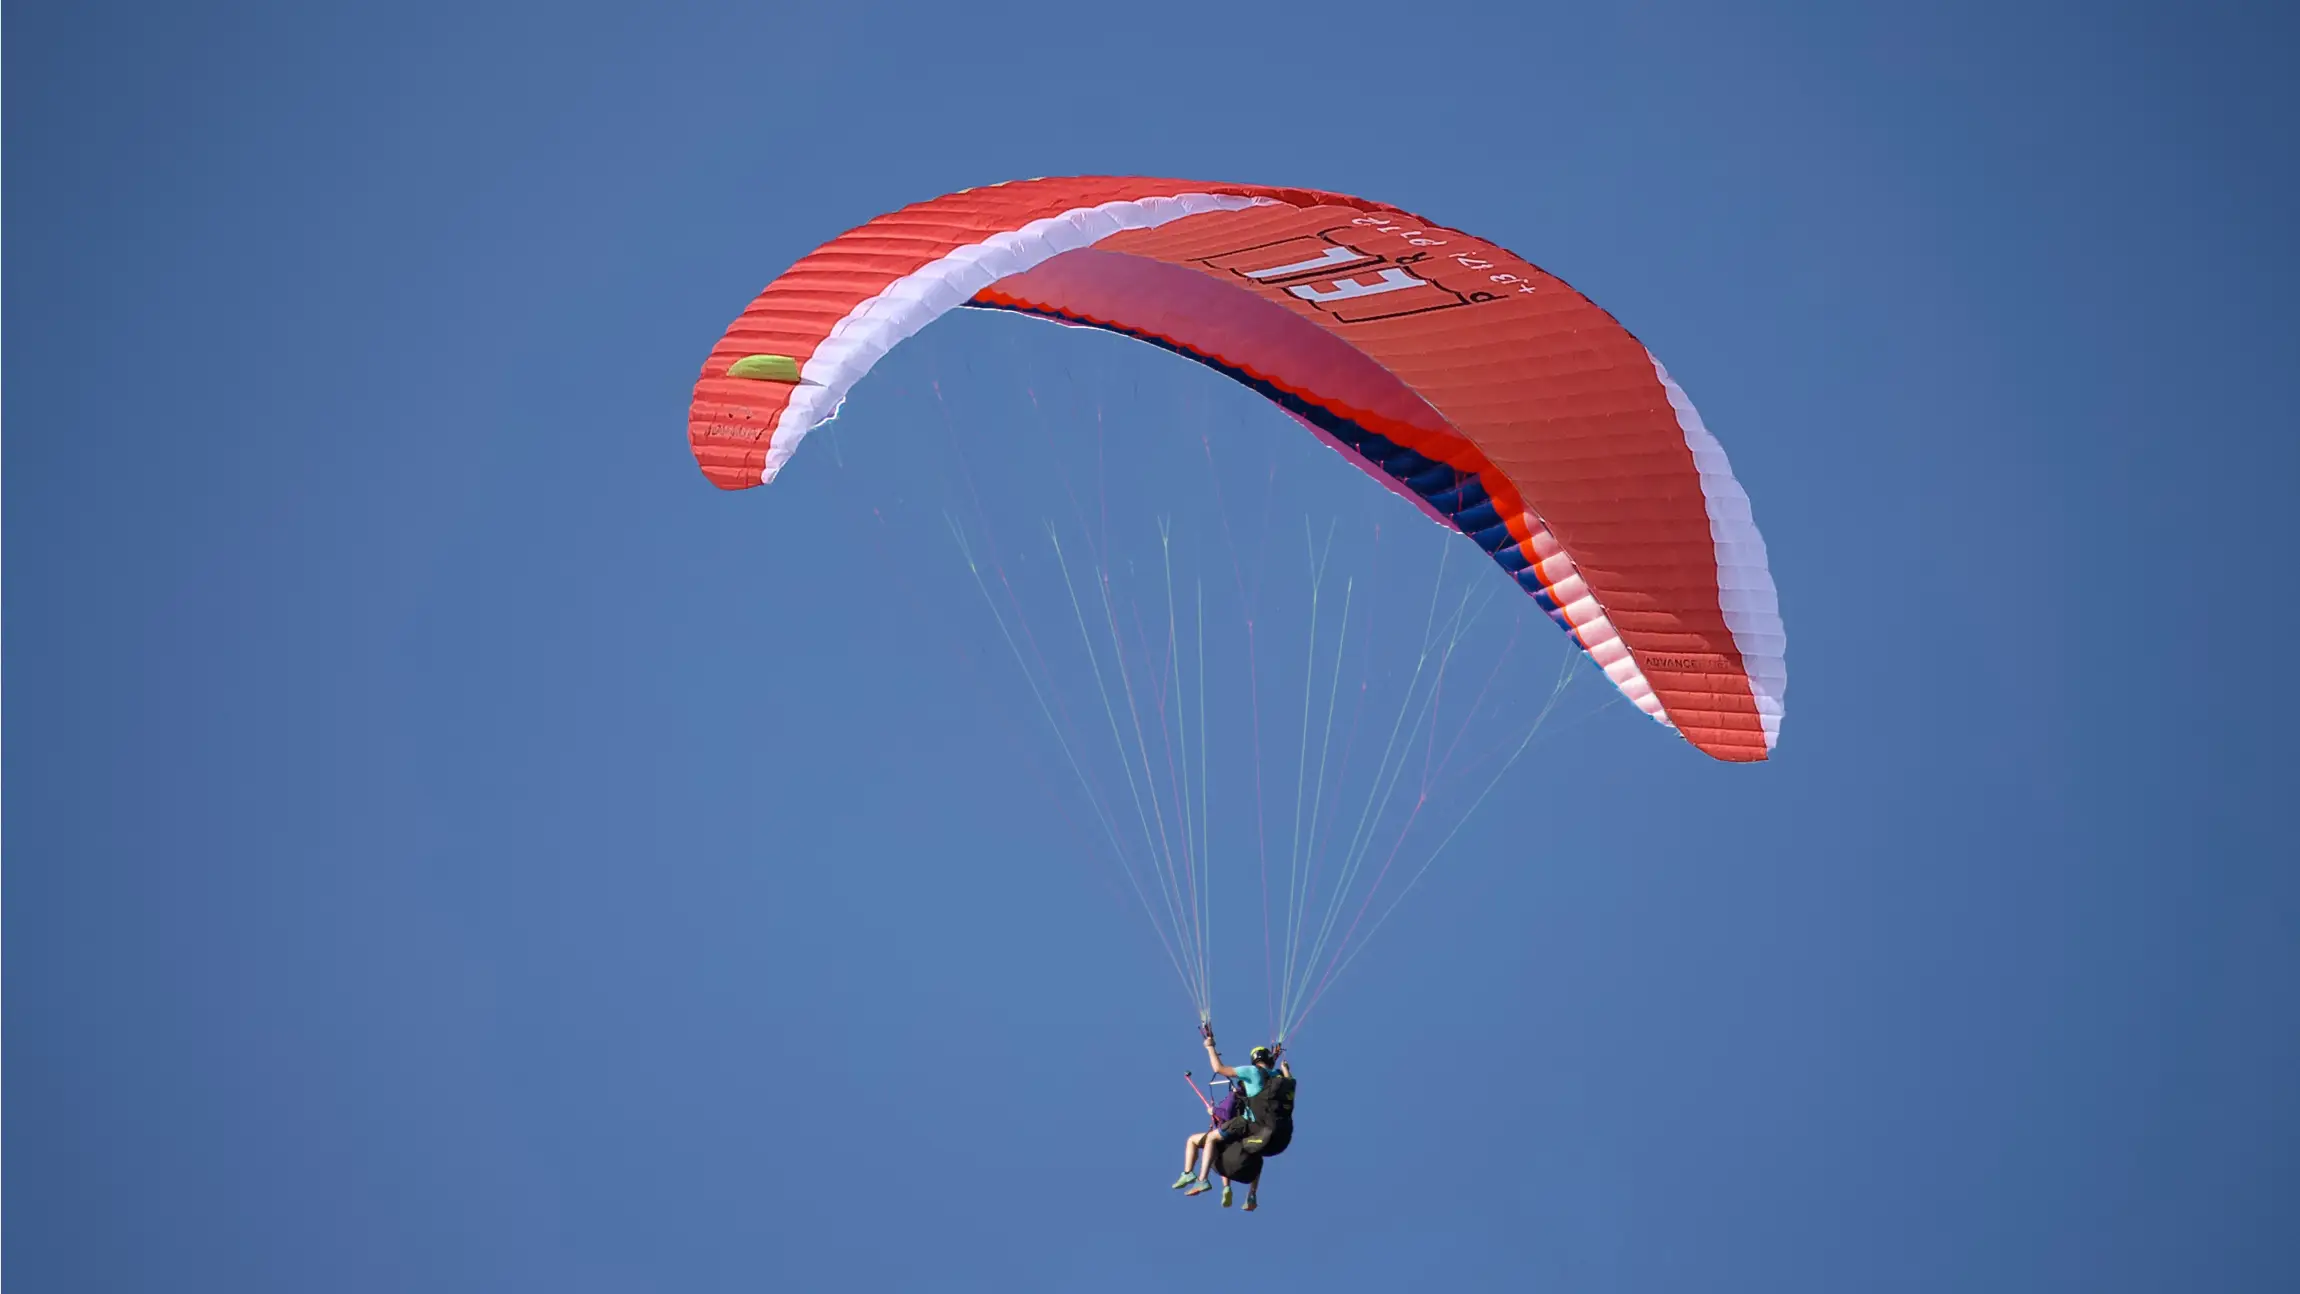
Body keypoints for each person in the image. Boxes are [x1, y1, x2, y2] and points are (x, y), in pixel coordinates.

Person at [1171, 1034, 1294, 1209]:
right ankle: (1251, 1196)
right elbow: (1289, 1081)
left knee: (1212, 1139)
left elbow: (1218, 1068)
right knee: (1255, 1151)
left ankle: (1201, 1179)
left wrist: (1210, 1046)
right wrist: (1285, 1067)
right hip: (1270, 1130)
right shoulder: (1277, 1076)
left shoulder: (1252, 1072)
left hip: (1249, 1124)